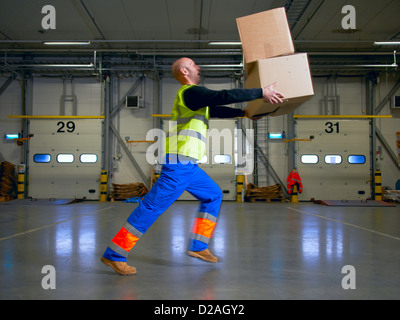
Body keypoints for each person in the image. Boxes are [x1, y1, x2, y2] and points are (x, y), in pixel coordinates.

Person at [101, 57, 284, 275]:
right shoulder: (190, 92)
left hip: (189, 167)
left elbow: (215, 108)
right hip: (179, 164)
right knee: (151, 207)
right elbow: (221, 96)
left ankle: (199, 246)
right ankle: (114, 254)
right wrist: (261, 92)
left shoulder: (195, 101)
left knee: (213, 195)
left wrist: (244, 113)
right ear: (184, 72)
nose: (199, 67)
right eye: (194, 65)